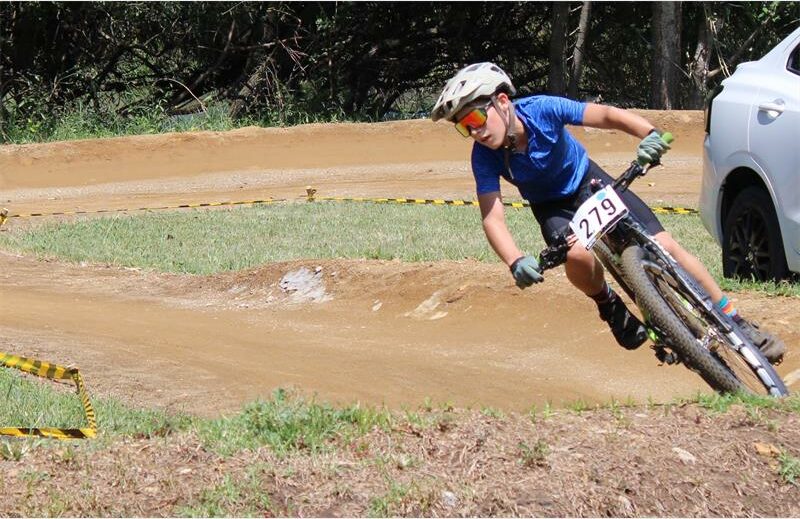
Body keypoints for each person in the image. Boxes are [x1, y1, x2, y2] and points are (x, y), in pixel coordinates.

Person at [431, 62, 785, 364]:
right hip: (553, 208)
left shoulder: (541, 110)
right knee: (576, 254)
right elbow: (492, 216)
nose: (474, 131)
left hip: (590, 182)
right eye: (464, 127)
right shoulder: (484, 156)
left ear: (503, 101)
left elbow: (607, 116)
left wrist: (649, 134)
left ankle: (735, 320)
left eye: (476, 117)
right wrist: (514, 260)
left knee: (667, 246)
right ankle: (608, 302)